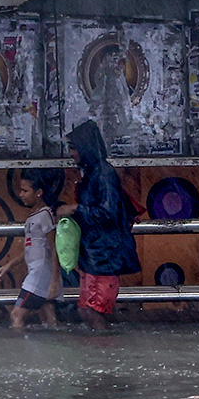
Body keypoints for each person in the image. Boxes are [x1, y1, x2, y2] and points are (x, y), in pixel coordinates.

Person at [55, 120, 141, 330]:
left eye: (74, 148)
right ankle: (103, 351)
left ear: (85, 148)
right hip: (94, 255)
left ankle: (105, 353)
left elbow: (107, 213)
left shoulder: (102, 174)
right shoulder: (94, 172)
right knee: (87, 309)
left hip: (104, 256)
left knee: (93, 311)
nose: (71, 153)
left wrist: (75, 209)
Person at [0, 169, 64, 329]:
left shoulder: (45, 215)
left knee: (16, 315)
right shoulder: (36, 216)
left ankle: (19, 351)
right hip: (41, 273)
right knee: (49, 318)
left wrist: (54, 280)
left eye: (25, 191)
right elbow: (32, 248)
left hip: (40, 274)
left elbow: (54, 248)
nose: (21, 194)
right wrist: (10, 264)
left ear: (39, 193)